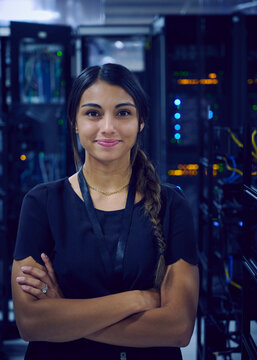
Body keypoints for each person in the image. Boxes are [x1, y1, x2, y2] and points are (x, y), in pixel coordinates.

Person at [11, 63, 199, 360]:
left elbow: (178, 327)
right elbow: (31, 323)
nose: (108, 127)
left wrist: (63, 314)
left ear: (141, 122)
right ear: (74, 121)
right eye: (93, 113)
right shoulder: (41, 203)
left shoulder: (172, 205)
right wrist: (139, 299)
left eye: (123, 112)